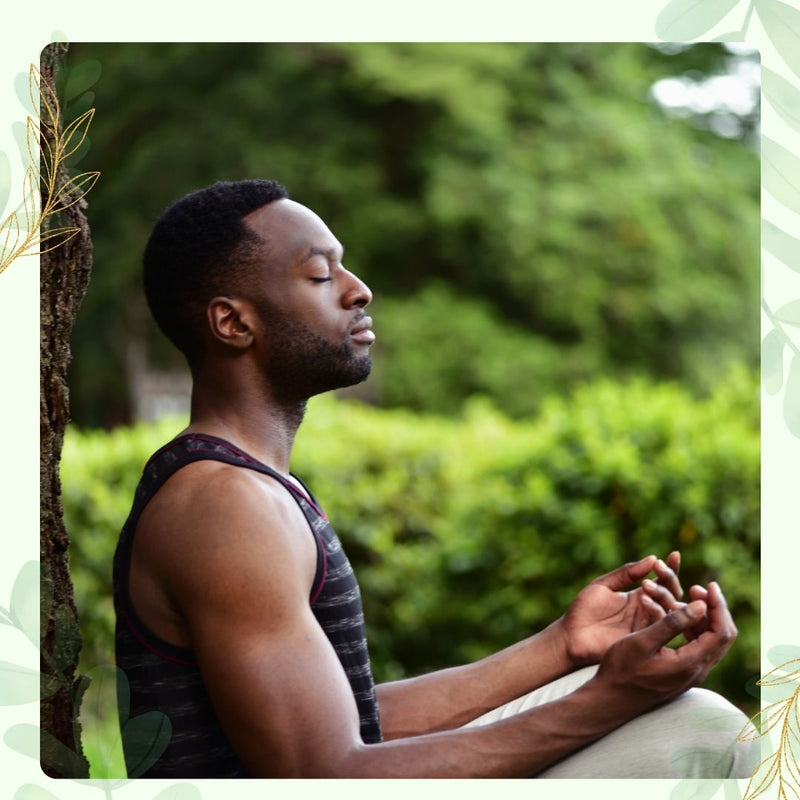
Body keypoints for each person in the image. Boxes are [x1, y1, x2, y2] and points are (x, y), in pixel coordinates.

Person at [113, 179, 758, 779]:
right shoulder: (224, 505)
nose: (357, 288)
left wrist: (564, 647)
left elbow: (350, 720)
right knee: (704, 731)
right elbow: (323, 774)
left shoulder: (248, 486)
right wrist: (607, 700)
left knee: (679, 715)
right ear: (234, 323)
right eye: (319, 273)